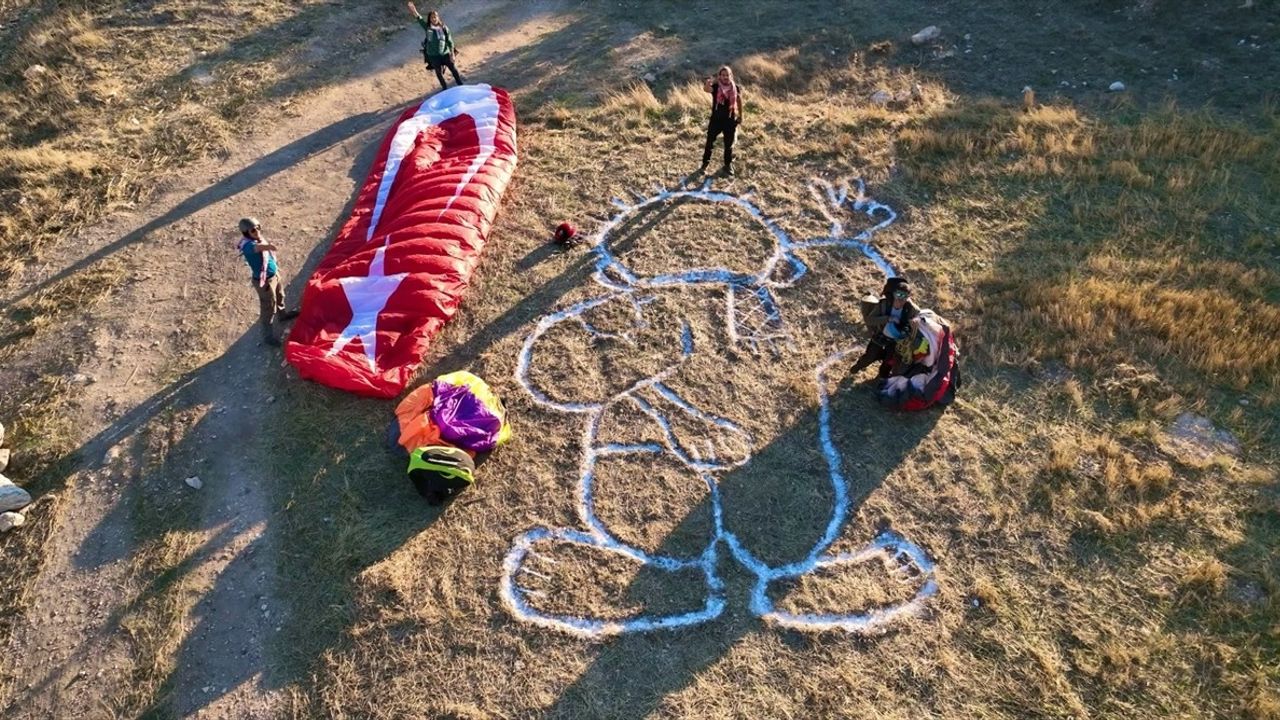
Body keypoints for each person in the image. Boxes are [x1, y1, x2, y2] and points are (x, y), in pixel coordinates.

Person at [236, 217, 298, 347]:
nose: (257, 231)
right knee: (268, 308)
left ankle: (282, 315)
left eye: (258, 227)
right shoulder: (248, 245)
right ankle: (268, 337)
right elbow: (257, 248)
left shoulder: (257, 239)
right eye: (253, 230)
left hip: (273, 275)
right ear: (246, 233)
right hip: (265, 282)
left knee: (280, 296)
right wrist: (268, 246)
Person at [849, 277, 919, 378]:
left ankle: (881, 378)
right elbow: (869, 320)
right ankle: (857, 368)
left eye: (904, 297)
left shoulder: (911, 309)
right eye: (898, 295)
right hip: (880, 335)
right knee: (869, 356)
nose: (900, 299)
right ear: (894, 294)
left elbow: (920, 317)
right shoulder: (884, 304)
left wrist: (915, 322)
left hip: (896, 341)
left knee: (888, 363)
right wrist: (888, 319)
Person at [700, 65, 743, 177]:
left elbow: (739, 101)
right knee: (710, 142)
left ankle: (728, 165)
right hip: (716, 120)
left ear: (730, 76)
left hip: (730, 120)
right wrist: (707, 84)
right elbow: (707, 90)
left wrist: (740, 116)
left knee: (728, 145)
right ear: (719, 76)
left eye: (727, 75)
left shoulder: (735, 88)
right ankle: (705, 164)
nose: (725, 77)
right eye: (723, 75)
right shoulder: (716, 86)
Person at [409, 3, 464, 90]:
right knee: (438, 73)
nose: (434, 19)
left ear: (438, 18)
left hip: (445, 53)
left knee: (453, 69)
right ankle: (445, 88)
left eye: (435, 17)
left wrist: (452, 54)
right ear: (430, 19)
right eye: (432, 17)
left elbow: (449, 41)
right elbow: (419, 19)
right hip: (433, 55)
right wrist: (414, 10)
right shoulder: (428, 28)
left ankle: (460, 84)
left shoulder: (444, 28)